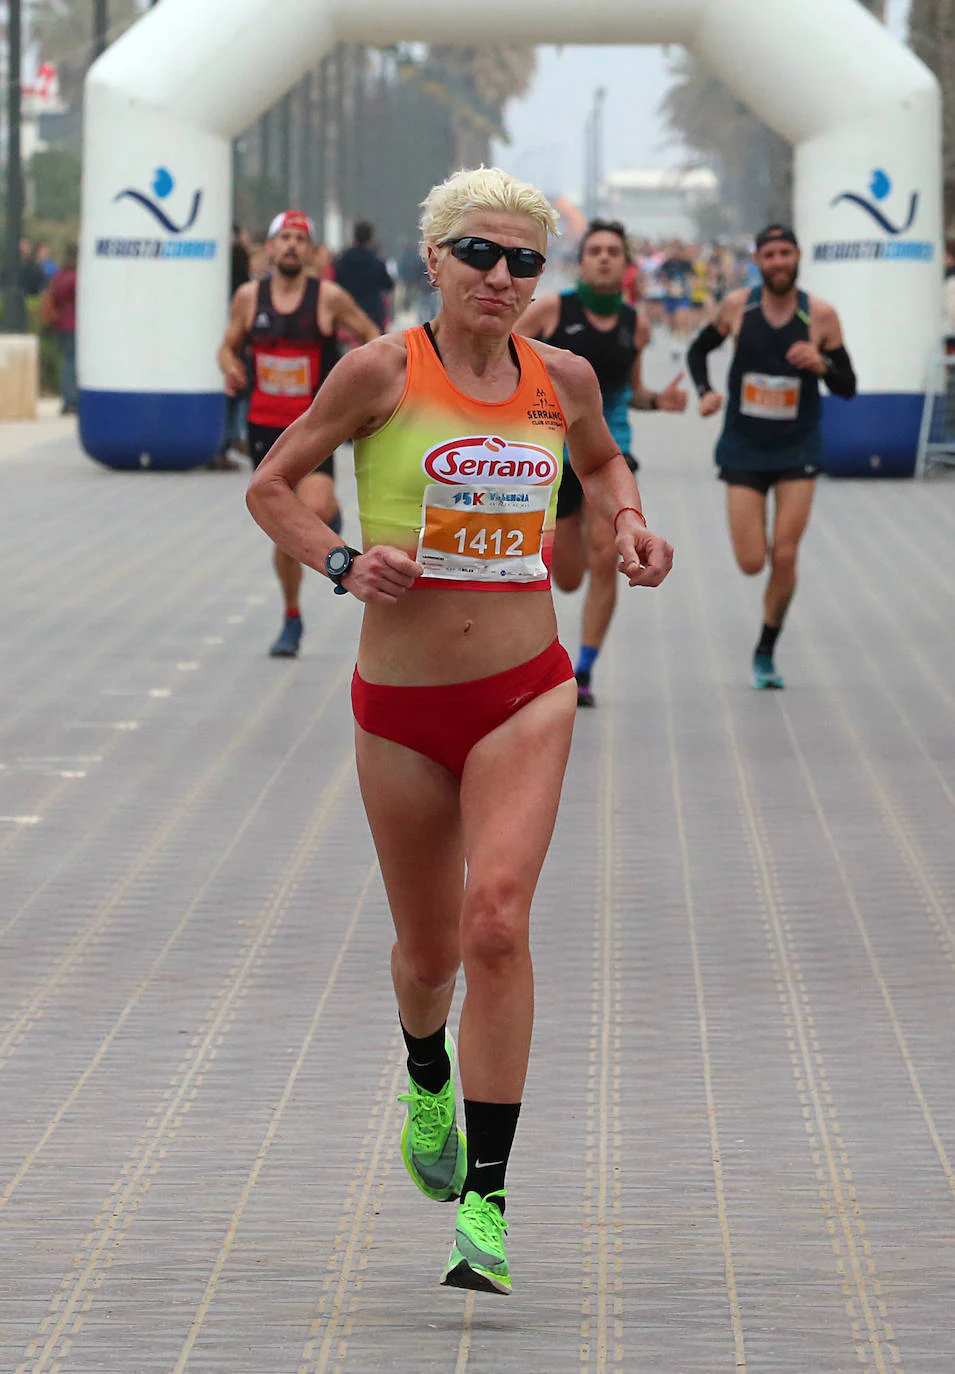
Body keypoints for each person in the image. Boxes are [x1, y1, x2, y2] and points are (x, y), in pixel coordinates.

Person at [246, 167, 673, 1293]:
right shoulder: (380, 370)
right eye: (479, 255)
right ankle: (423, 1070)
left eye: (523, 260)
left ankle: (484, 1201)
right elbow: (273, 485)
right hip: (398, 711)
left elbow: (598, 460)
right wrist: (342, 560)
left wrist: (627, 520)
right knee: (428, 960)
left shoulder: (563, 377)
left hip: (523, 692)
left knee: (497, 922)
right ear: (433, 261)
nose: (500, 277)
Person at [517, 218, 687, 706]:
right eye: (596, 250)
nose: (605, 257)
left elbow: (632, 392)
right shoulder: (552, 310)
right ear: (582, 260)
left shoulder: (637, 324)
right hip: (550, 454)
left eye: (614, 250)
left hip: (610, 451)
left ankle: (583, 670)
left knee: (603, 556)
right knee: (566, 575)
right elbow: (501, 358)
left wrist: (660, 402)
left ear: (627, 263)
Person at [687, 223, 857, 689]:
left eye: (786, 253)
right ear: (758, 261)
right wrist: (705, 391)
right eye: (770, 255)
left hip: (797, 446)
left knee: (784, 556)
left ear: (798, 257)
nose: (779, 262)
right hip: (744, 444)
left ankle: (766, 649)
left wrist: (822, 364)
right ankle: (764, 632)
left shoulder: (820, 315)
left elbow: (848, 385)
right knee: (751, 561)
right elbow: (699, 349)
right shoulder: (739, 306)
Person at [218, 209, 380, 657]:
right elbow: (228, 346)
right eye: (283, 238)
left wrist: (361, 387)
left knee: (312, 508)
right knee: (284, 533)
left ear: (310, 251)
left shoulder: (327, 297)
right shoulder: (250, 298)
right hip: (264, 428)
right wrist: (231, 368)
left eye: (299, 238)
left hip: (313, 428)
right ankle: (291, 615)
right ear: (268, 248)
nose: (290, 245)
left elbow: (371, 336)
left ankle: (328, 511)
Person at [334, 221, 395, 334]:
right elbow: (388, 284)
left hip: (348, 313)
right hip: (372, 313)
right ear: (370, 237)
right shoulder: (375, 259)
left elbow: (336, 281)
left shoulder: (343, 258)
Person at [42, 243, 78, 414]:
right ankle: (72, 400)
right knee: (73, 362)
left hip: (60, 323)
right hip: (75, 323)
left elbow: (53, 297)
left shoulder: (59, 276)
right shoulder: (77, 277)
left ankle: (67, 399)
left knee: (67, 361)